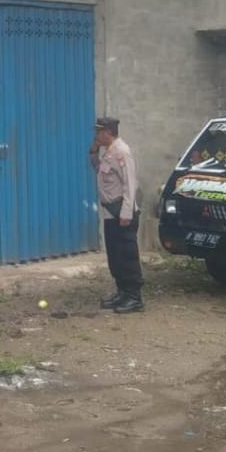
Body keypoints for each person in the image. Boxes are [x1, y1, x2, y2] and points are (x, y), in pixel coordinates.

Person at [89, 116, 143, 313]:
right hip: (111, 213)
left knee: (127, 256)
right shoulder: (108, 152)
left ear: (108, 132)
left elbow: (130, 184)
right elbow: (98, 169)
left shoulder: (122, 151)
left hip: (122, 214)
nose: (96, 135)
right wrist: (94, 150)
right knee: (115, 256)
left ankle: (134, 297)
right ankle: (122, 292)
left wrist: (126, 213)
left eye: (99, 132)